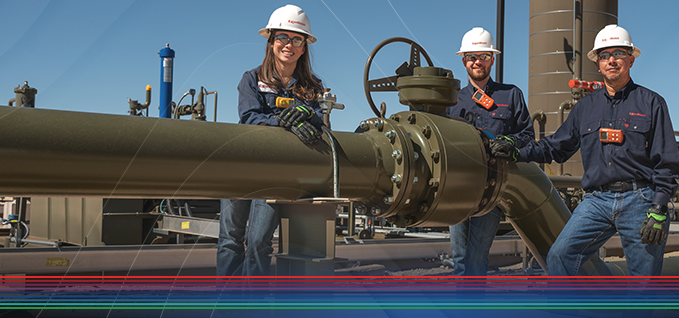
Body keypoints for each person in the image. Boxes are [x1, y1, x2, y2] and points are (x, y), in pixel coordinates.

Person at [493, 24, 679, 276]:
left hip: (641, 200)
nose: (611, 60)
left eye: (618, 54)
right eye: (604, 55)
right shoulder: (585, 107)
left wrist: (659, 207)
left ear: (631, 59)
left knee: (643, 282)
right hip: (597, 201)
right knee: (560, 255)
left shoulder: (652, 103)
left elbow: (667, 160)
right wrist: (517, 152)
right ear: (598, 63)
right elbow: (555, 147)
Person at [217, 4, 325, 276]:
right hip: (240, 167)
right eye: (283, 38)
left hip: (277, 174)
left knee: (258, 242)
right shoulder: (252, 79)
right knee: (231, 239)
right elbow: (250, 117)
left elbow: (320, 122)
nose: (289, 45)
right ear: (271, 42)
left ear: (304, 47)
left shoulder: (313, 88)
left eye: (297, 39)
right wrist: (283, 122)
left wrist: (307, 116)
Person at [446, 27, 535, 276]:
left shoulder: (511, 94)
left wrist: (509, 142)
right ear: (464, 61)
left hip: (493, 187)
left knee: (477, 257)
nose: (478, 62)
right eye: (472, 57)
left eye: (483, 56)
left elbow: (528, 135)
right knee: (460, 258)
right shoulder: (452, 99)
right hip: (457, 187)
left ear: (492, 60)